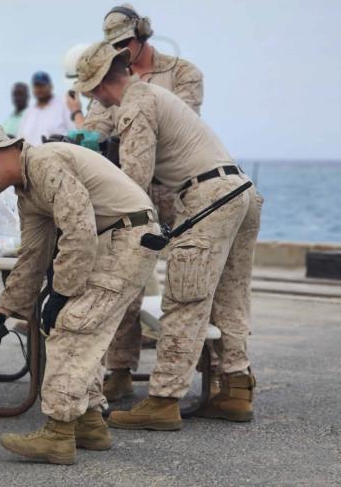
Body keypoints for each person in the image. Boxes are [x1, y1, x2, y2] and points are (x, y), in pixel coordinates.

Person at [75, 42, 262, 429]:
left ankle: (163, 400)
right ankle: (235, 388)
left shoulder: (136, 102)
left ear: (95, 89)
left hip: (207, 197)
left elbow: (135, 181)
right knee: (230, 297)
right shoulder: (155, 93)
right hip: (241, 190)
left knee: (184, 297)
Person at [0, 125, 159, 465]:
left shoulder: (44, 162)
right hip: (113, 239)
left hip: (126, 238)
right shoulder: (28, 191)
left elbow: (79, 229)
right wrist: (0, 314)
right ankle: (88, 422)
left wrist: (60, 294)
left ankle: (58, 433)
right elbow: (32, 259)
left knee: (72, 327)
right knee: (81, 328)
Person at [68, 4, 208, 403]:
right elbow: (96, 128)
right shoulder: (112, 79)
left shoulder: (183, 73)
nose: (122, 52)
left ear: (142, 35)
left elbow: (180, 122)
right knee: (122, 279)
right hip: (134, 189)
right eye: (114, 46)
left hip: (179, 193)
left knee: (192, 284)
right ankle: (120, 367)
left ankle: (209, 368)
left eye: (125, 43)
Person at [17, 71, 75, 145]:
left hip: (56, 155)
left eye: (42, 85)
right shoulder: (28, 112)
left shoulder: (63, 106)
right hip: (30, 155)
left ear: (51, 86)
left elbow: (74, 134)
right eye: (37, 86)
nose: (39, 89)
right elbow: (20, 139)